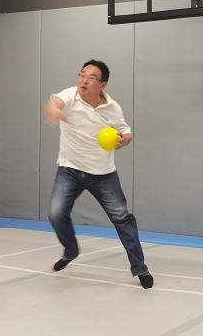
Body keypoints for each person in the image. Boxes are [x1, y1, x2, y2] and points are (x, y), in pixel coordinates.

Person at [45, 60, 153, 289]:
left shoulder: (113, 108)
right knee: (56, 213)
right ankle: (71, 250)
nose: (84, 80)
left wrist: (125, 139)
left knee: (123, 218)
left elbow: (125, 130)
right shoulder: (71, 95)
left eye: (91, 77)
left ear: (102, 85)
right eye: (82, 75)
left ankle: (140, 268)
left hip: (103, 174)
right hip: (70, 169)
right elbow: (54, 104)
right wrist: (53, 109)